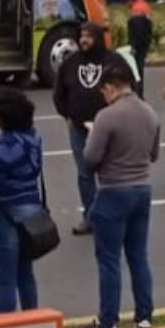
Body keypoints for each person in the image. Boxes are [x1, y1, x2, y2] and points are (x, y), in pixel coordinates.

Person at [77, 60, 160, 328]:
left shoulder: (106, 116)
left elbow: (90, 157)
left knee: (109, 261)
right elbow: (154, 153)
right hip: (142, 189)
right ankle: (144, 319)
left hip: (113, 191)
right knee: (138, 256)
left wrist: (91, 134)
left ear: (111, 88)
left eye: (104, 91)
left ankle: (108, 324)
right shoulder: (150, 113)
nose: (103, 96)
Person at [0, 87, 48, 313]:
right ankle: (32, 321)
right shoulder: (33, 140)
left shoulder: (3, 149)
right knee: (26, 274)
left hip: (5, 215)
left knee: (6, 281)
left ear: (0, 118)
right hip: (31, 213)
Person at [53, 21, 112, 235]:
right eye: (81, 36)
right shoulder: (70, 63)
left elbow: (130, 88)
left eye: (88, 36)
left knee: (110, 173)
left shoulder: (113, 61)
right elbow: (59, 92)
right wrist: (66, 114)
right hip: (78, 128)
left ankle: (110, 216)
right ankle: (90, 216)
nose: (84, 40)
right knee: (85, 173)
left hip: (108, 128)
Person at [125, 0, 155, 97]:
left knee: (136, 70)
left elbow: (137, 31)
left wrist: (133, 46)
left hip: (138, 45)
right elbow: (149, 27)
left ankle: (138, 94)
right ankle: (139, 93)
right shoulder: (144, 5)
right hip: (144, 43)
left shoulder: (137, 9)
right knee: (139, 69)